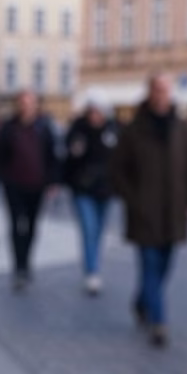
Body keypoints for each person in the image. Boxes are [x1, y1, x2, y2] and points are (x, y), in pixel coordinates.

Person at [111, 73, 187, 346]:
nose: (162, 95)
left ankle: (142, 301)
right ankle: (159, 322)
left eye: (166, 90)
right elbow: (117, 170)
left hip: (174, 210)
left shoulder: (183, 127)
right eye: (158, 90)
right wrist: (132, 198)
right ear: (150, 93)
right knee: (150, 264)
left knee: (164, 266)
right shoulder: (134, 129)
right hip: (144, 211)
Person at [0, 90, 57, 290]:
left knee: (31, 226)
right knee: (15, 226)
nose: (26, 106)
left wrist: (52, 182)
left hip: (37, 185)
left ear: (35, 105)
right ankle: (18, 266)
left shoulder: (44, 127)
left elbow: (51, 155)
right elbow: (0, 155)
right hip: (14, 185)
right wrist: (3, 178)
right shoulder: (9, 127)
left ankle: (26, 262)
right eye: (22, 102)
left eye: (29, 102)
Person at [64, 102, 119, 295]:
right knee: (89, 229)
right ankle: (92, 272)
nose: (95, 115)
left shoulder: (112, 131)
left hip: (105, 190)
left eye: (99, 112)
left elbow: (119, 159)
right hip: (83, 190)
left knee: (98, 231)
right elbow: (69, 160)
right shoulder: (78, 130)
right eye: (93, 111)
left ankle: (93, 265)